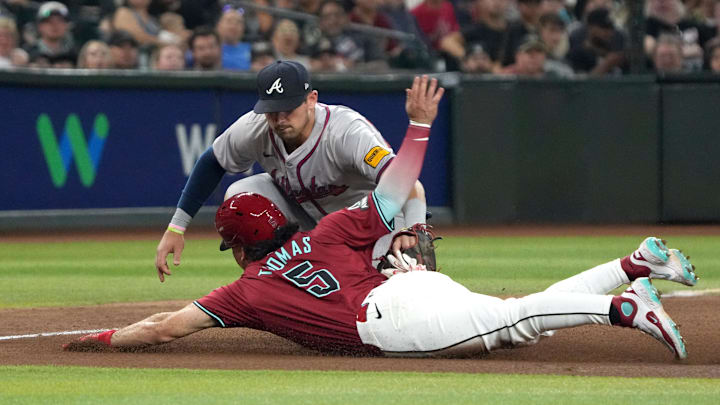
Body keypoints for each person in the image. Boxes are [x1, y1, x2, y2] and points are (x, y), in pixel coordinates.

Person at [66, 77, 698, 359]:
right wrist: (420, 128)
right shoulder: (327, 231)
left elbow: (164, 328)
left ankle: (625, 307)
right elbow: (397, 189)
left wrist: (99, 340)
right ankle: (631, 267)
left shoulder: (246, 291)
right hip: (393, 281)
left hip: (391, 319)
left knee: (511, 322)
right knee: (513, 317)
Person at [155, 60, 429, 283]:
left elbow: (407, 182)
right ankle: (277, 283)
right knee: (240, 195)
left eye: (289, 108)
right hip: (308, 219)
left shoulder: (346, 131)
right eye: (272, 110)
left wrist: (412, 228)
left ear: (312, 99)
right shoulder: (256, 127)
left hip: (370, 224)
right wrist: (176, 228)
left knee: (393, 290)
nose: (280, 118)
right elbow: (211, 162)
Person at [216, 6, 251, 70]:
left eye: (238, 22)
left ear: (243, 28)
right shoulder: (210, 49)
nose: (234, 26)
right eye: (229, 21)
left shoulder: (252, 50)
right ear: (219, 25)